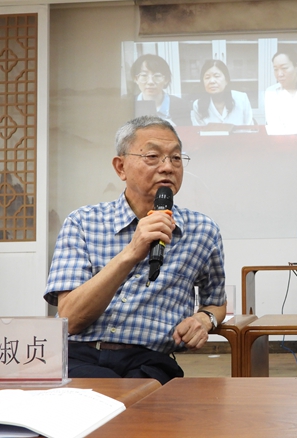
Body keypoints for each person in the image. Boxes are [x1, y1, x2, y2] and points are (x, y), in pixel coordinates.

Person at [44, 116, 226, 384]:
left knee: (134, 398)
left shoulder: (202, 230)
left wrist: (204, 319)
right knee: (96, 397)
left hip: (149, 362)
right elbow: (69, 318)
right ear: (121, 167)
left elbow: (217, 302)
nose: (168, 167)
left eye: (176, 158)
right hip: (79, 356)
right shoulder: (83, 222)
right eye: (153, 156)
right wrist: (131, 252)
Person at [131, 54, 192, 126]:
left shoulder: (181, 105)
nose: (150, 82)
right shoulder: (129, 105)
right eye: (144, 75)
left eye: (157, 76)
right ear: (136, 79)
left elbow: (186, 132)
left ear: (166, 79)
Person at [191, 59, 254, 126]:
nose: (212, 81)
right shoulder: (198, 105)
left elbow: (249, 128)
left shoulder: (241, 99)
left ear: (226, 80)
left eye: (216, 76)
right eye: (207, 77)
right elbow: (198, 131)